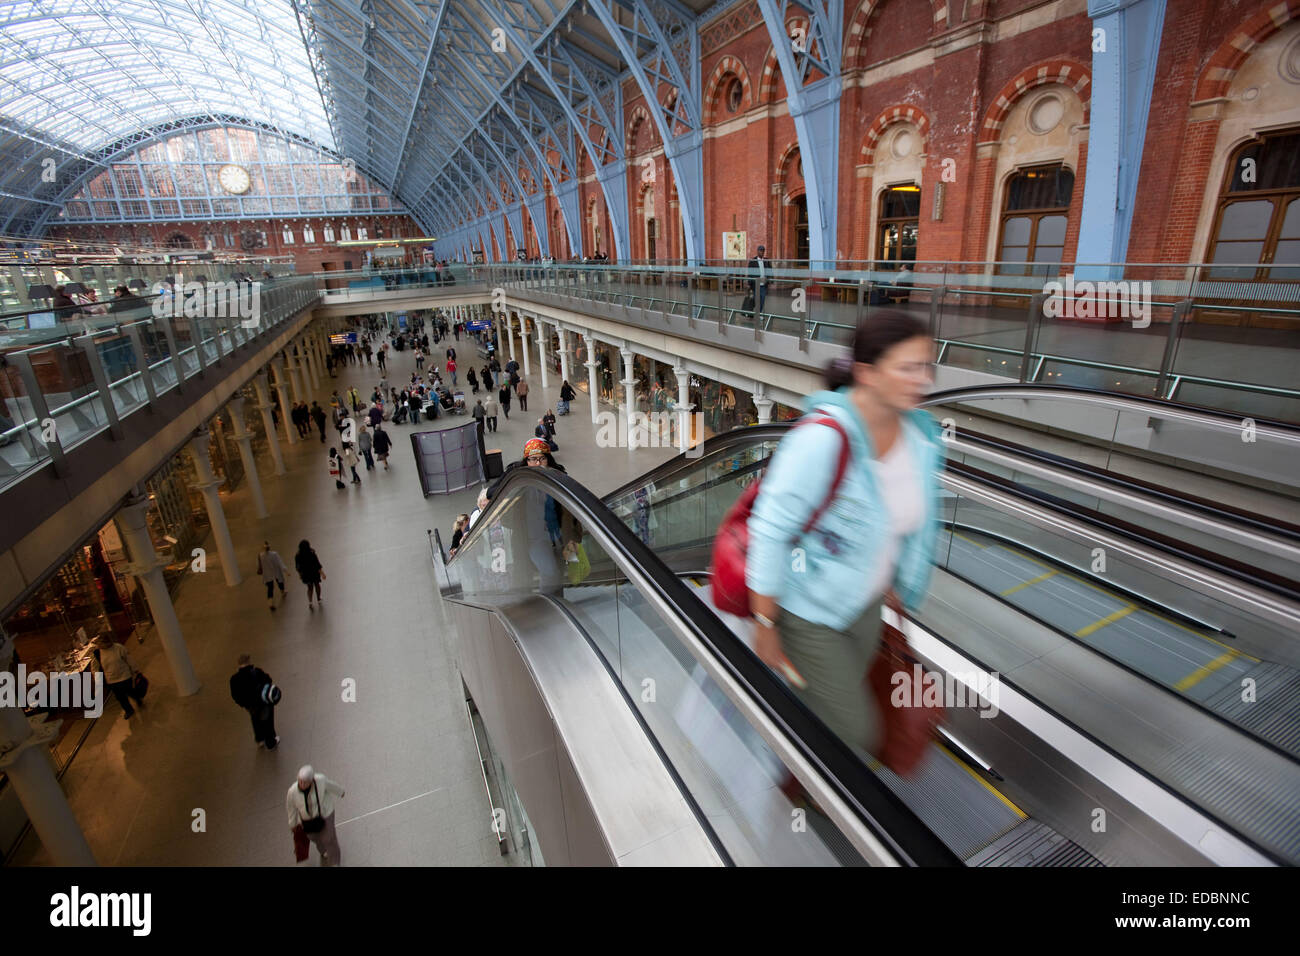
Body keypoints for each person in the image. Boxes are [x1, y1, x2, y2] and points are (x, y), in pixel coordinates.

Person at [745, 311, 942, 761]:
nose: (922, 380)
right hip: (808, 609)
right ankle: (823, 800)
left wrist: (892, 576)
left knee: (831, 708)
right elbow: (770, 530)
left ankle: (801, 766)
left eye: (927, 366)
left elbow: (899, 520)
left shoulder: (921, 437)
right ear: (867, 373)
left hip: (867, 606)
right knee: (858, 727)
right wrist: (766, 624)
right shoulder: (823, 440)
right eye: (908, 368)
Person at [287, 765, 345, 866]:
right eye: (300, 781)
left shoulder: (320, 780)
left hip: (325, 812)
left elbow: (331, 786)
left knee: (329, 838)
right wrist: (293, 824)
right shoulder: (292, 792)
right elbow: (291, 808)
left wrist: (341, 792)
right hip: (307, 820)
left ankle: (335, 862)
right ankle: (323, 850)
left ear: (311, 780)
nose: (302, 784)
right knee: (314, 837)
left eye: (305, 782)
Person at [230, 654, 279, 749]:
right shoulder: (257, 672)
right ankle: (270, 742)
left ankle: (260, 739)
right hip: (262, 702)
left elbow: (235, 695)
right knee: (267, 721)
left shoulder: (234, 679)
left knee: (255, 719)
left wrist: (243, 704)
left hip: (249, 706)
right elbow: (268, 680)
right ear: (248, 661)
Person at [91, 634, 145, 718]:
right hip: (111, 680)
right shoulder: (98, 653)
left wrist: (135, 669)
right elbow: (94, 667)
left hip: (125, 676)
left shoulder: (118, 648)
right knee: (120, 697)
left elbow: (128, 659)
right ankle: (128, 710)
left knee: (129, 691)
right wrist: (97, 678)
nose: (100, 645)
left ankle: (137, 698)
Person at [257, 541, 287, 611]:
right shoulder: (274, 554)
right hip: (275, 571)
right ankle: (282, 592)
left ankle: (270, 603)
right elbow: (280, 562)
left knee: (270, 588)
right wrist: (285, 570)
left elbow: (259, 565)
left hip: (267, 574)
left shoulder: (260, 555)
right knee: (280, 581)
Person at [294, 540, 325, 608]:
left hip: (306, 574)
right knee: (317, 585)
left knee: (309, 588)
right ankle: (318, 599)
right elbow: (317, 564)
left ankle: (310, 602)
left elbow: (297, 566)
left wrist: (300, 574)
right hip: (314, 572)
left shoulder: (298, 555)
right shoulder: (311, 553)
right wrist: (322, 573)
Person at [746, 244, 769, 319]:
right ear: (757, 251)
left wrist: (769, 280)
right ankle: (753, 313)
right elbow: (750, 273)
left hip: (763, 284)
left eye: (763, 250)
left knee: (762, 299)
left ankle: (759, 313)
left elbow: (769, 271)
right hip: (756, 284)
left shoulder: (766, 261)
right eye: (760, 250)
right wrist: (749, 283)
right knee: (756, 300)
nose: (762, 252)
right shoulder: (753, 261)